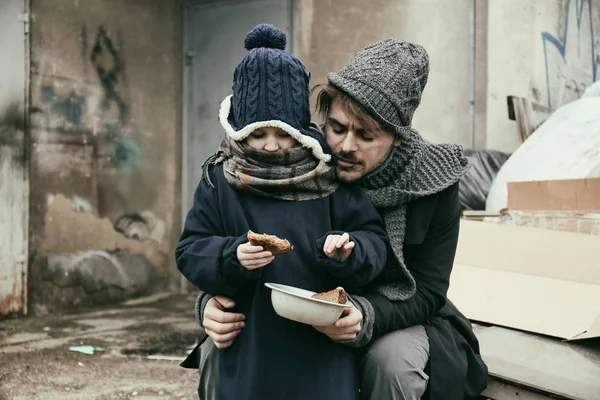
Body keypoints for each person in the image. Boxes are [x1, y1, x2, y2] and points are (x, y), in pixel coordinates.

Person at [176, 24, 389, 400]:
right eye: (258, 134)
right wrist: (231, 255)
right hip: (251, 345)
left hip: (322, 349)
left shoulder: (329, 176)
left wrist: (349, 250)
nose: (272, 146)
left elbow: (376, 243)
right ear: (239, 129)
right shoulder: (220, 180)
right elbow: (190, 251)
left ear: (301, 128)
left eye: (284, 133)